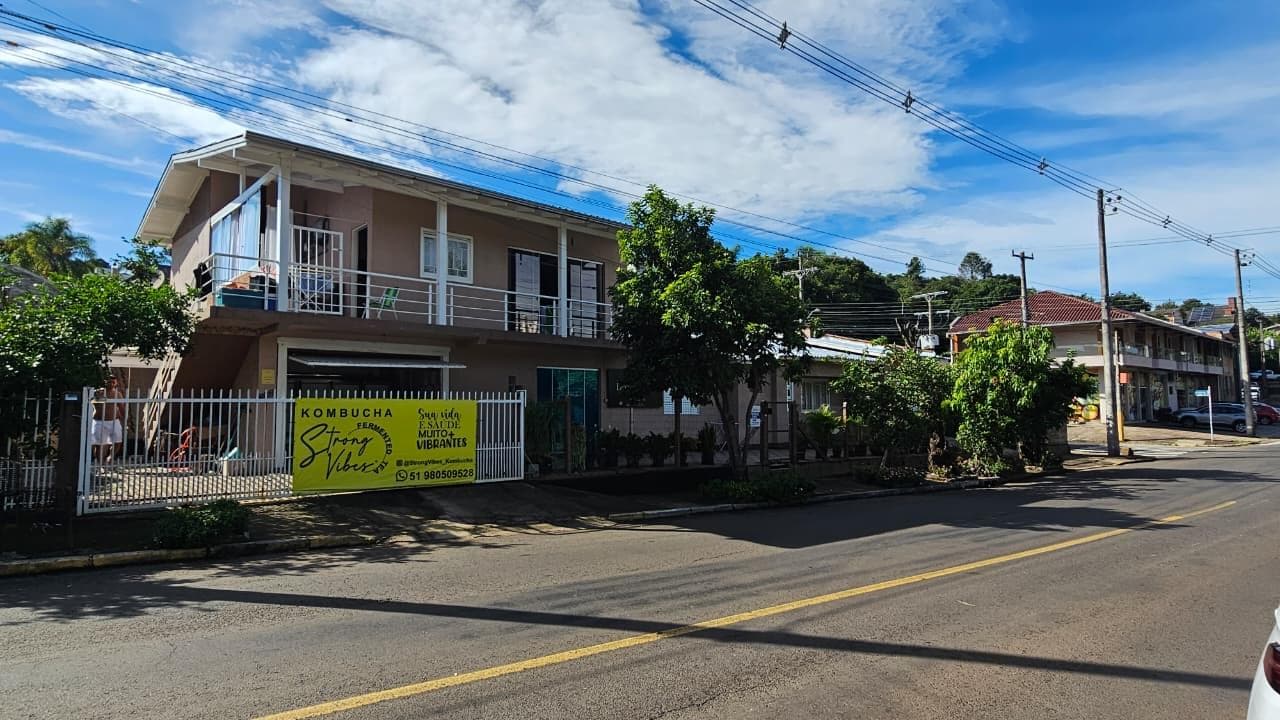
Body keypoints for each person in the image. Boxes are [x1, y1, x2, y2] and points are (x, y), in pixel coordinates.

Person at [92, 376, 125, 463]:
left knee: (118, 441)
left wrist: (124, 419)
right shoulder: (98, 392)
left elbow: (121, 408)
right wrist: (104, 396)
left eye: (113, 382)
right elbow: (98, 405)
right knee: (100, 444)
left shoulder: (118, 394)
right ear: (105, 382)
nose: (111, 384)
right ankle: (99, 463)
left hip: (114, 421)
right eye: (109, 382)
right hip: (99, 421)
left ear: (116, 383)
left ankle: (110, 457)